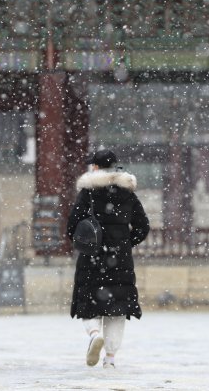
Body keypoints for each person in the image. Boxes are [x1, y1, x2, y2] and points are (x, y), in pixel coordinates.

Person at [66, 149, 150, 369]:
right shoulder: (128, 194)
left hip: (92, 257)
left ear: (95, 167)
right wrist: (125, 242)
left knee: (88, 302)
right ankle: (110, 359)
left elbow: (71, 226)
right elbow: (143, 226)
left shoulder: (88, 193)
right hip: (120, 260)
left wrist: (87, 242)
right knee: (117, 308)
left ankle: (94, 335)